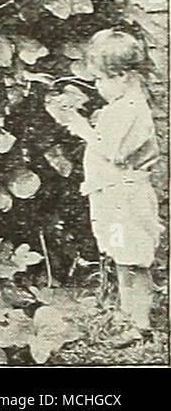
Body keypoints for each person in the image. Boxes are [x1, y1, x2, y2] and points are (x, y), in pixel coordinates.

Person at [47, 29, 160, 343]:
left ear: (122, 75)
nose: (96, 87)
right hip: (114, 196)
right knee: (122, 257)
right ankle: (128, 316)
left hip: (128, 197)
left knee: (134, 260)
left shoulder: (131, 110)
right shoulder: (120, 107)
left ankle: (141, 323)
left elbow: (112, 149)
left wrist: (78, 124)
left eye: (99, 79)